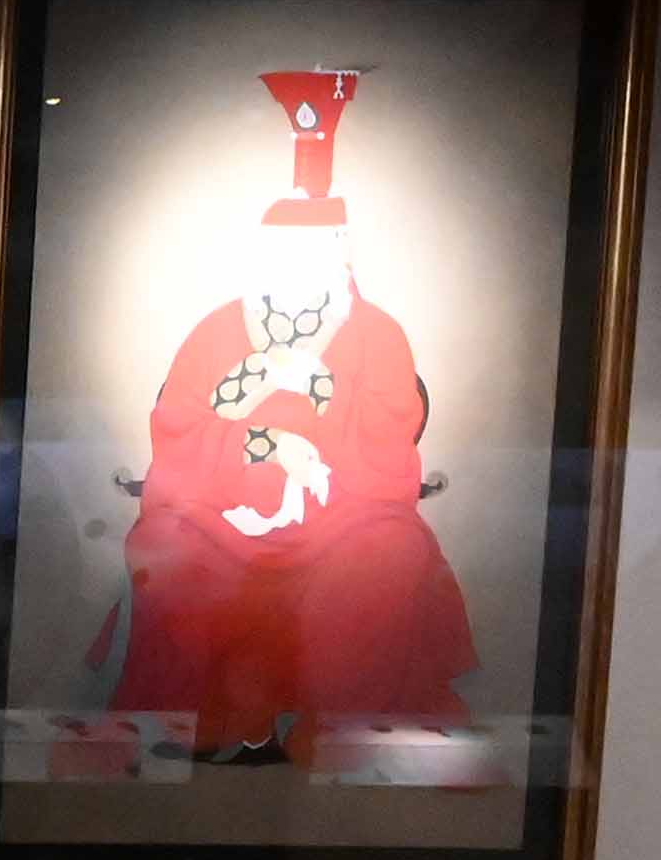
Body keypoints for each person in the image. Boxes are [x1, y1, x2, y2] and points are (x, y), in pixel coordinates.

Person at [104, 68, 477, 757]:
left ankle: (339, 729)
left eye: (316, 258)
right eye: (285, 258)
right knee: (170, 546)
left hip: (345, 519)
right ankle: (196, 721)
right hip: (217, 516)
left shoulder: (379, 336)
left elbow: (389, 449)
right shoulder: (216, 330)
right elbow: (180, 430)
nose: (298, 279)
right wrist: (264, 443)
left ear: (340, 261)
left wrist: (320, 427)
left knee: (388, 553)